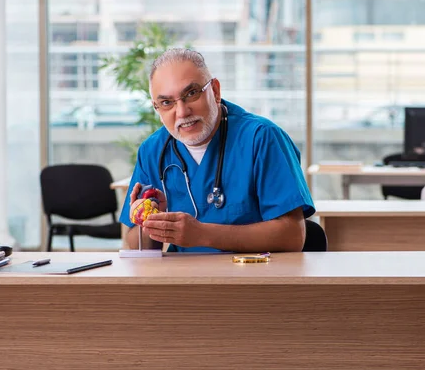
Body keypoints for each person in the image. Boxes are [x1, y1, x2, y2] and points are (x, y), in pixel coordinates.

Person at [119, 48, 315, 253]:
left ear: (215, 90)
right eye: (167, 102)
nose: (182, 111)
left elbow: (292, 236)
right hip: (182, 281)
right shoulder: (153, 151)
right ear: (157, 108)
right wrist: (151, 222)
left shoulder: (262, 138)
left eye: (191, 93)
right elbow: (135, 243)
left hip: (251, 279)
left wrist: (202, 234)